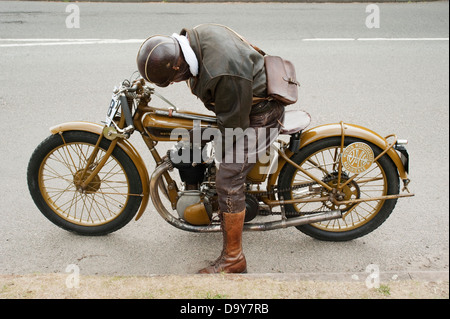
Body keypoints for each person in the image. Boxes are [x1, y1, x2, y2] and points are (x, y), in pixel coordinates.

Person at [136, 24, 285, 274]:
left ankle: (233, 258)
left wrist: (214, 153)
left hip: (262, 114)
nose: (173, 83)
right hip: (241, 99)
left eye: (171, 80)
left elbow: (234, 127)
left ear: (177, 65)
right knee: (195, 138)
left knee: (228, 178)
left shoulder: (222, 72)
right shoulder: (194, 37)